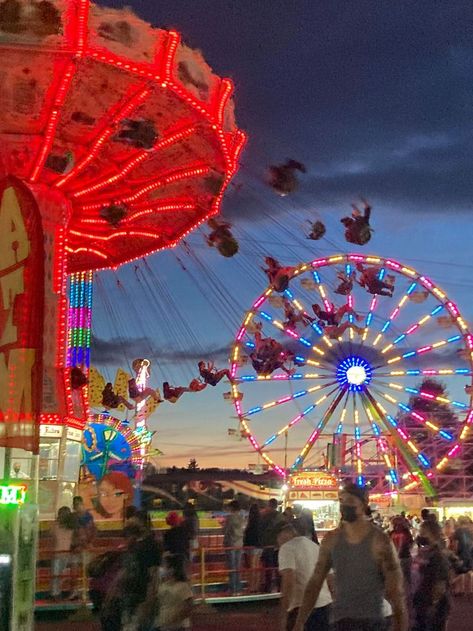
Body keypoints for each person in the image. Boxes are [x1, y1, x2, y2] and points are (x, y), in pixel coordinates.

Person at [293, 482, 407, 631]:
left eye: (351, 501)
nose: (345, 506)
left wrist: (400, 624)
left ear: (364, 504)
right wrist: (300, 621)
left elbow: (396, 591)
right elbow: (315, 582)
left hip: (372, 621)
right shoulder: (331, 540)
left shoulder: (380, 542)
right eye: (342, 501)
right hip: (341, 620)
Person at [278, 523, 332, 631]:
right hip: (325, 604)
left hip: (301, 606)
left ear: (281, 536)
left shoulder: (287, 548)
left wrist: (284, 612)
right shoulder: (316, 547)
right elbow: (330, 576)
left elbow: (289, 581)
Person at [412, 520, 451, 631]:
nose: (420, 536)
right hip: (422, 602)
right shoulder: (426, 553)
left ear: (433, 535)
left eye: (423, 533)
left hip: (432, 606)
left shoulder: (437, 556)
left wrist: (432, 605)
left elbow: (440, 584)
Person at [153, 554, 193, 631]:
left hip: (177, 627)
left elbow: (188, 607)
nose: (161, 569)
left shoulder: (182, 586)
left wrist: (174, 620)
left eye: (164, 566)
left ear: (172, 569)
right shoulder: (162, 585)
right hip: (163, 625)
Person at [71, 495, 96, 599]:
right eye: (75, 505)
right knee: (74, 570)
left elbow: (92, 531)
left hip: (85, 547)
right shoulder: (74, 518)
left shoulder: (87, 517)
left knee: (87, 570)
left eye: (78, 504)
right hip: (76, 547)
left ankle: (87, 591)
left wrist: (87, 542)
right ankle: (75, 591)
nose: (77, 507)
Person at [260, 498, 286, 592]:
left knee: (268, 567)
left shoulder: (264, 515)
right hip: (277, 544)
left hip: (267, 544)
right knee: (277, 566)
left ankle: (267, 586)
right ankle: (279, 585)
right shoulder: (280, 516)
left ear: (269, 504)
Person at [50, 506, 74, 599]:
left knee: (60, 574)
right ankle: (55, 593)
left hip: (65, 553)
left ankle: (57, 592)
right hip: (58, 553)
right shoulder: (56, 525)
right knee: (56, 574)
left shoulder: (70, 526)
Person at [223, 499, 245, 594]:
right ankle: (238, 588)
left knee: (231, 567)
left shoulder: (230, 518)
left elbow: (225, 531)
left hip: (230, 544)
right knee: (237, 566)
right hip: (239, 544)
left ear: (232, 508)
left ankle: (232, 588)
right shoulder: (242, 518)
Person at [390, 516, 414, 587]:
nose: (396, 526)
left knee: (402, 578)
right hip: (404, 557)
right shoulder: (405, 532)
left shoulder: (393, 533)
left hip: (402, 557)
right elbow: (411, 544)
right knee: (406, 578)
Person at [244, 503, 263, 592]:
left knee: (252, 567)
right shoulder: (261, 521)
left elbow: (247, 533)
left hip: (252, 546)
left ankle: (251, 586)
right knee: (257, 566)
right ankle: (257, 585)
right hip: (260, 545)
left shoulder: (251, 522)